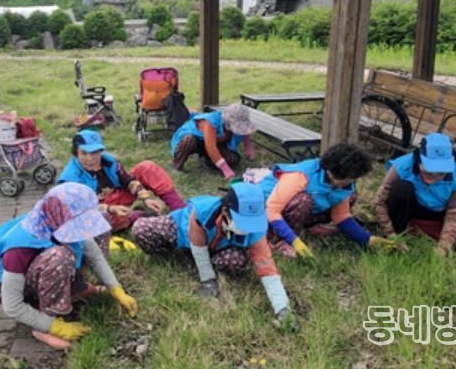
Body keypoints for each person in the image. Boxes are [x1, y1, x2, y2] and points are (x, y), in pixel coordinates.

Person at [0, 182, 138, 349]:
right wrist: (55, 327)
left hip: (42, 270)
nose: (81, 227)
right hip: (9, 287)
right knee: (60, 256)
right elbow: (12, 306)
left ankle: (76, 289)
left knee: (86, 239)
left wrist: (115, 288)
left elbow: (94, 256)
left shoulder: (58, 220)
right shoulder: (19, 247)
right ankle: (43, 322)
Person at [132, 182, 298, 331]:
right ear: (226, 212)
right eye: (243, 222)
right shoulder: (202, 212)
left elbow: (267, 270)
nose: (249, 229)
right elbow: (197, 244)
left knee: (236, 261)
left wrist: (283, 309)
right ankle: (179, 252)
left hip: (218, 249)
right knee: (142, 229)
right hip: (184, 236)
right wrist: (208, 279)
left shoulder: (257, 231)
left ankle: (199, 260)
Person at [374, 133, 456, 256]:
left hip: (442, 211)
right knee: (401, 188)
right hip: (411, 210)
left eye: (441, 172)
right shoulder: (402, 167)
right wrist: (391, 234)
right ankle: (400, 233)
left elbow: (454, 214)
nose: (434, 177)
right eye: (428, 171)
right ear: (418, 160)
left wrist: (443, 247)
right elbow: (380, 202)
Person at [260, 143, 397, 259]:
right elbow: (272, 210)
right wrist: (294, 241)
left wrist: (367, 239)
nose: (350, 182)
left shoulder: (346, 184)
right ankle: (281, 241)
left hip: (300, 210)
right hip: (266, 211)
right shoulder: (301, 175)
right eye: (348, 178)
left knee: (351, 195)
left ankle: (309, 226)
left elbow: (341, 216)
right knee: (303, 201)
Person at [58, 130, 187, 232]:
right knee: (103, 220)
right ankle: (141, 216)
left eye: (94, 152)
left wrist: (146, 198)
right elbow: (79, 210)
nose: (90, 158)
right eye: (84, 153)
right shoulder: (70, 180)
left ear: (101, 151)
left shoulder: (108, 161)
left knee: (147, 168)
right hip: (94, 210)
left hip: (116, 196)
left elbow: (128, 181)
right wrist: (110, 209)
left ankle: (181, 212)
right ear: (75, 153)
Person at [171, 104, 256, 180]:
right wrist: (225, 169)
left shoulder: (231, 127)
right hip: (197, 141)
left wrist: (248, 147)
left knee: (231, 159)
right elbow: (211, 147)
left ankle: (209, 160)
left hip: (216, 142)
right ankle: (177, 165)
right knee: (189, 140)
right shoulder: (210, 122)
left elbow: (244, 131)